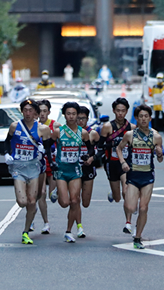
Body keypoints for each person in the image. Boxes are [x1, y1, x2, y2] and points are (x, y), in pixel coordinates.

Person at [3, 99, 53, 244]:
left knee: (32, 201)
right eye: (25, 110)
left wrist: (44, 153)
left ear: (36, 113)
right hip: (18, 167)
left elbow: (50, 147)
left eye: (31, 110)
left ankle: (25, 232)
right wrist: (7, 153)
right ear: (21, 111)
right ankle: (30, 213)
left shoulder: (43, 129)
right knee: (22, 202)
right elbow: (7, 141)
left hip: (33, 167)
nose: (28, 113)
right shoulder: (14, 126)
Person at [118, 105, 164, 249]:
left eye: (146, 116)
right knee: (131, 207)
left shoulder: (156, 136)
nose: (143, 119)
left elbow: (161, 159)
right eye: (140, 116)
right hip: (133, 175)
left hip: (148, 176)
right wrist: (123, 162)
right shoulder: (130, 135)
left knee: (143, 208)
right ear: (136, 119)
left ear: (150, 118)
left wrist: (159, 153)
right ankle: (132, 217)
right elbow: (119, 148)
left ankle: (137, 238)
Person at [51, 102, 93, 243]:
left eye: (73, 114)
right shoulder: (58, 132)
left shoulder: (83, 133)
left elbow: (91, 148)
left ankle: (68, 231)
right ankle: (57, 191)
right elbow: (47, 145)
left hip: (75, 170)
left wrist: (88, 157)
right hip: (62, 171)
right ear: (64, 115)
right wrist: (51, 160)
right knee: (64, 203)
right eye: (68, 114)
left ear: (77, 115)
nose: (71, 116)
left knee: (75, 201)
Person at [98, 97, 135, 233]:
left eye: (123, 111)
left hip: (125, 164)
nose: (120, 113)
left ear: (126, 112)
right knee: (118, 197)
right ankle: (113, 193)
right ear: (113, 111)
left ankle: (128, 223)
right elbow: (100, 146)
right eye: (118, 111)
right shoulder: (107, 127)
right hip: (112, 164)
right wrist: (113, 144)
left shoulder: (132, 128)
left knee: (126, 192)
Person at [34, 99, 59, 234]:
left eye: (45, 111)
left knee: (53, 196)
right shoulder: (33, 126)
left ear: (49, 112)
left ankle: (59, 190)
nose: (42, 114)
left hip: (53, 163)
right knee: (41, 193)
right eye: (40, 111)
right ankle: (46, 223)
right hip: (39, 163)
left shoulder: (56, 126)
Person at [78, 107, 97, 226]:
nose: (80, 121)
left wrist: (92, 158)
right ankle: (78, 226)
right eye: (78, 118)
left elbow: (100, 150)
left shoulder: (93, 133)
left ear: (87, 118)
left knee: (85, 203)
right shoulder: (70, 132)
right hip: (74, 168)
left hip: (88, 168)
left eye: (83, 118)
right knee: (74, 200)